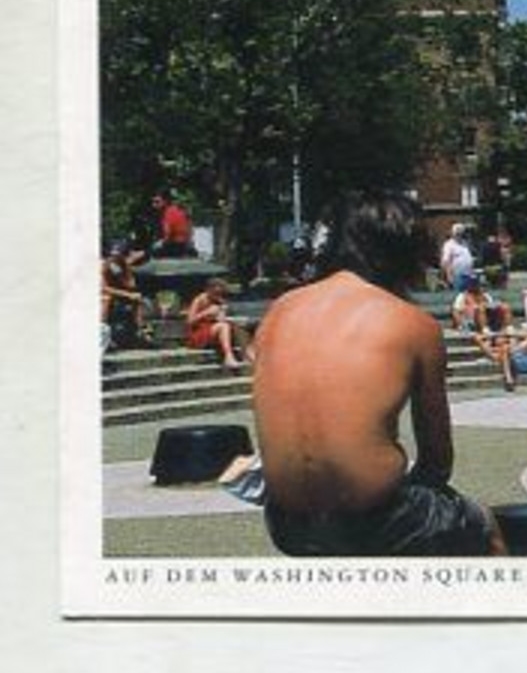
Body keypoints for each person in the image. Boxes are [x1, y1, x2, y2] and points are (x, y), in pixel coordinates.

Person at [252, 191, 495, 556]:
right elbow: (437, 462)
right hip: (376, 519)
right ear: (401, 251)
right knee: (486, 531)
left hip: (287, 520)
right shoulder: (413, 324)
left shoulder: (279, 310)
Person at [185, 278, 250, 371]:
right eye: (216, 293)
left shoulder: (220, 301)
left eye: (220, 293)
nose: (218, 295)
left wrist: (221, 314)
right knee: (223, 326)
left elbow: (221, 319)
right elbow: (189, 321)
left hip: (214, 329)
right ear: (209, 290)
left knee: (237, 326)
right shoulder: (199, 299)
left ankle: (247, 354)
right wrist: (205, 313)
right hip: (199, 332)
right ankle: (228, 356)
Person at [100, 240, 150, 351]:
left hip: (118, 294)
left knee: (138, 300)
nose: (115, 258)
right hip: (104, 295)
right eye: (114, 255)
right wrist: (127, 294)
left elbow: (130, 284)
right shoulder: (105, 265)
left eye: (119, 256)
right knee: (107, 299)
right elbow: (104, 288)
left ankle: (141, 331)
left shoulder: (123, 266)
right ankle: (102, 330)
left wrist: (127, 268)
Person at [150, 191, 196, 258]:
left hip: (176, 246)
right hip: (185, 245)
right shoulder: (177, 209)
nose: (154, 205)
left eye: (157, 202)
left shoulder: (168, 213)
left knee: (150, 252)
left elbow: (167, 234)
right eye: (153, 202)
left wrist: (158, 244)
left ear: (165, 202)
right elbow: (190, 227)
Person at [439, 223, 474, 289]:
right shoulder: (449, 245)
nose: (459, 235)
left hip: (468, 276)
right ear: (453, 233)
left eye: (461, 233)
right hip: (457, 277)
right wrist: (449, 277)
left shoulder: (465, 244)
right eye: (457, 233)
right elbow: (446, 262)